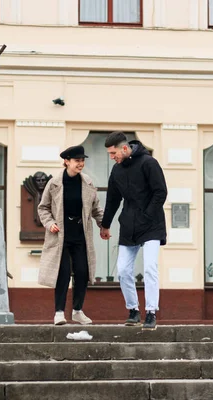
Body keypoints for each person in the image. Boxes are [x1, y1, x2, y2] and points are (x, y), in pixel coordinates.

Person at [100, 131, 167, 330]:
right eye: (110, 154)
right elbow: (112, 199)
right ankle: (133, 311)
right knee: (122, 270)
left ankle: (151, 312)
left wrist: (147, 215)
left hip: (151, 226)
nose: (112, 157)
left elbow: (160, 192)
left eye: (114, 153)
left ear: (125, 148)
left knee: (149, 268)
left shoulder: (149, 163)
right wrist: (105, 224)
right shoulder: (117, 171)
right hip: (128, 226)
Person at [38, 145, 104, 325]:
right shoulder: (54, 183)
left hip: (81, 234)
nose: (81, 164)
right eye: (77, 160)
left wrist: (103, 225)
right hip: (60, 235)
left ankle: (77, 311)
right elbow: (43, 207)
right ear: (66, 162)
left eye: (82, 160)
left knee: (83, 272)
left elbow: (96, 209)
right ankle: (59, 312)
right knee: (63, 273)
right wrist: (50, 223)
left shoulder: (87, 182)